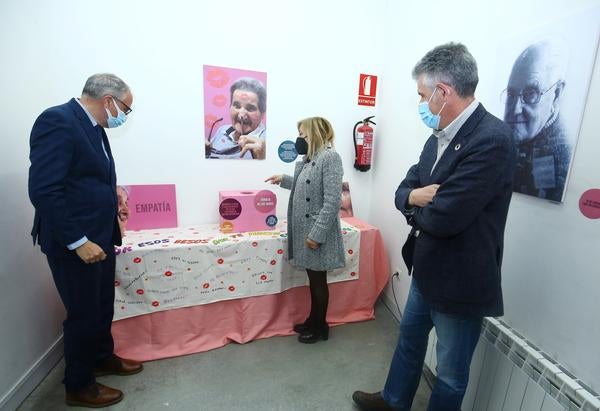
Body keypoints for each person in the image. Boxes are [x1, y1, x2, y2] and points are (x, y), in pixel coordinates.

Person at [352, 43, 515, 411]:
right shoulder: (436, 137)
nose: (421, 103)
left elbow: (445, 218)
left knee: (450, 375)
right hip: (426, 268)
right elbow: (403, 189)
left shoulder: (492, 139)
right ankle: (394, 401)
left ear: (444, 92)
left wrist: (417, 203)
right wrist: (414, 198)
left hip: (461, 280)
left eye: (423, 95)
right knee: (409, 342)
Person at [28, 73, 143, 408]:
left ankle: (101, 357)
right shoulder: (58, 121)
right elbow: (45, 191)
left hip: (100, 235)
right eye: (126, 108)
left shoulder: (95, 129)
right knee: (82, 313)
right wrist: (78, 241)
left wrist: (114, 195)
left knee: (101, 305)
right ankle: (78, 385)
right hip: (75, 243)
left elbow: (85, 179)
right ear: (108, 100)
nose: (125, 116)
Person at [265, 117, 344, 343]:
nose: (299, 139)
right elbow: (305, 184)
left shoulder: (330, 158)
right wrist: (284, 179)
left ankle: (321, 328)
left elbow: (332, 202)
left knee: (319, 281)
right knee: (314, 280)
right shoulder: (311, 159)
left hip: (316, 233)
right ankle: (313, 320)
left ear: (315, 134)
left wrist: (316, 235)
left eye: (303, 135)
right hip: (307, 231)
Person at [503, 40, 571, 202]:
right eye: (511, 95)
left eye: (531, 93)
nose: (515, 109)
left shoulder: (559, 158)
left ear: (556, 95)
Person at [206, 77, 266, 159]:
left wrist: (262, 159)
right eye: (237, 106)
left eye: (250, 108)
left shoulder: (267, 141)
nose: (241, 115)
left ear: (262, 114)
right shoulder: (222, 131)